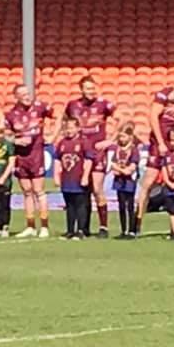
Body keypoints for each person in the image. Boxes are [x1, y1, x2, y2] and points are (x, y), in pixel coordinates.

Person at [136, 68, 174, 233]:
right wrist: (161, 142)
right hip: (160, 144)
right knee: (148, 184)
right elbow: (153, 116)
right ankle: (137, 223)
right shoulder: (165, 94)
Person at [64, 76, 117, 238]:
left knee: (97, 189)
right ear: (81, 89)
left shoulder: (103, 104)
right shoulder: (73, 105)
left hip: (97, 152)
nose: (91, 91)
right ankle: (83, 227)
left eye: (93, 88)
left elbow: (121, 120)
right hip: (79, 152)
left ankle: (103, 227)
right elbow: (65, 120)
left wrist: (110, 140)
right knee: (82, 190)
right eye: (87, 88)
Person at [6, 84, 53, 238]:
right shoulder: (11, 114)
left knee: (39, 191)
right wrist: (15, 141)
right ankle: (30, 226)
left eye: (28, 93)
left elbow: (60, 116)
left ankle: (44, 226)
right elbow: (5, 135)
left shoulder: (40, 107)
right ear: (16, 97)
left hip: (36, 155)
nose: (27, 96)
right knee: (26, 192)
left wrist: (53, 135)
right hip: (21, 157)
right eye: (23, 94)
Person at [53, 116, 94, 239]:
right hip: (67, 179)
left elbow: (88, 160)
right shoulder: (62, 143)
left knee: (80, 205)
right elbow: (57, 160)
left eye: (71, 128)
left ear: (78, 128)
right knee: (69, 205)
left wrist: (86, 176)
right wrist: (56, 176)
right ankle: (70, 230)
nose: (68, 131)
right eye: (66, 128)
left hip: (79, 178)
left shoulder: (84, 142)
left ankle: (81, 230)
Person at [109, 122, 140, 239]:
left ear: (130, 137)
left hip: (129, 182)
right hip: (119, 181)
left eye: (123, 136)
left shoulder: (133, 150)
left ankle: (132, 230)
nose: (121, 139)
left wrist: (120, 169)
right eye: (120, 136)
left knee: (130, 205)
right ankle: (123, 230)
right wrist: (119, 169)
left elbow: (131, 169)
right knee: (121, 206)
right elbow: (112, 164)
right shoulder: (117, 150)